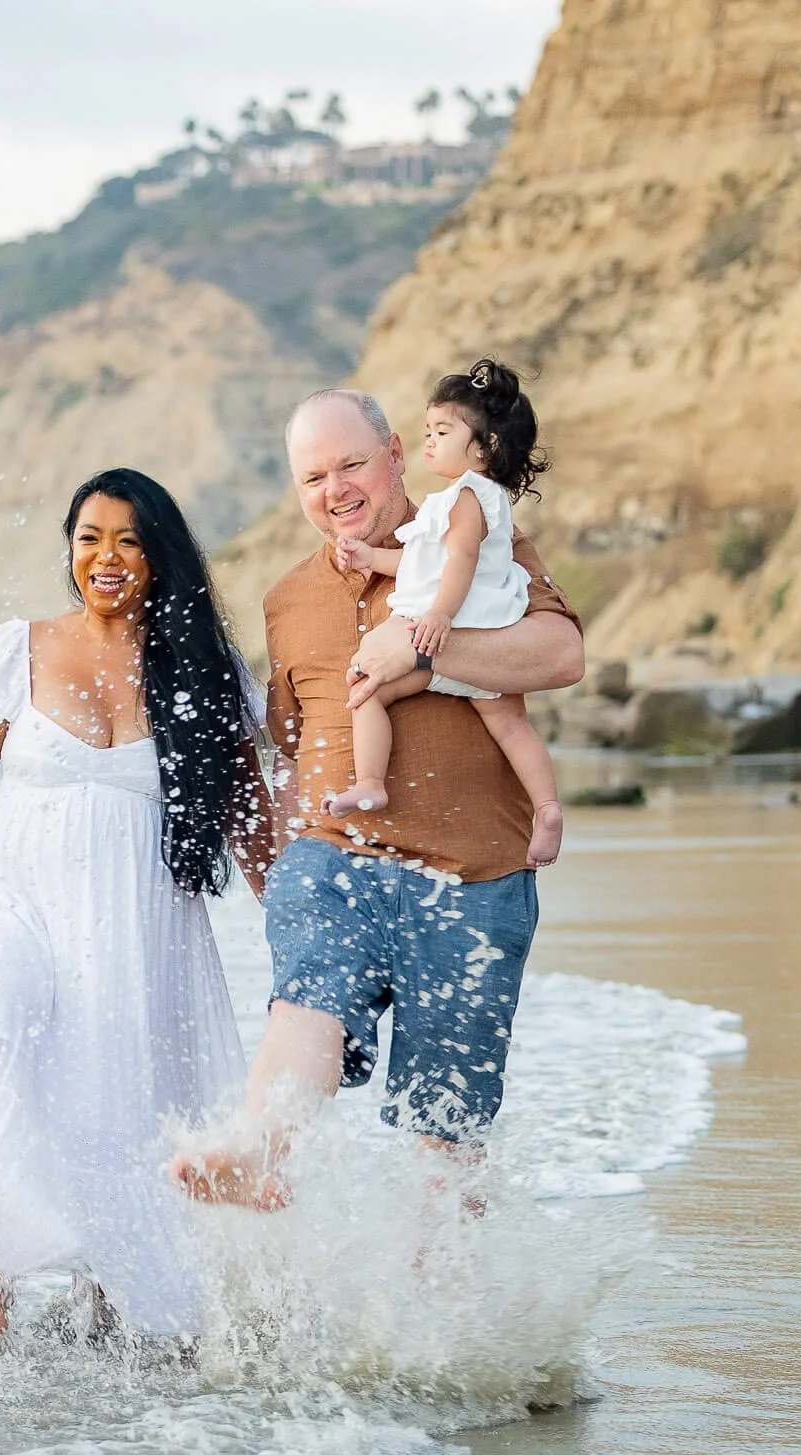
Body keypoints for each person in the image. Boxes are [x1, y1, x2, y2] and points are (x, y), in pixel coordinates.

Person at [0, 468, 273, 1343]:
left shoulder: (203, 668)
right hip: (15, 898)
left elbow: (251, 818)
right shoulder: (23, 646)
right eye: (89, 537)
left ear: (159, 557)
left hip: (135, 918)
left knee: (112, 1094)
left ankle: (106, 1283)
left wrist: (302, 935)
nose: (106, 557)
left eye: (128, 539)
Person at [174, 389, 584, 1211]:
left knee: (446, 1141)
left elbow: (561, 651)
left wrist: (424, 657)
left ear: (396, 454)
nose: (335, 490)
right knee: (308, 994)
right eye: (312, 477)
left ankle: (442, 1325)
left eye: (351, 463)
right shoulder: (288, 598)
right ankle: (261, 1154)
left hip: (477, 879)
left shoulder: (475, 542)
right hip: (339, 857)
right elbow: (294, 750)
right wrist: (275, 870)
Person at [325, 360, 564, 868]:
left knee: (366, 690)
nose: (427, 441)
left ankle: (371, 782)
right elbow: (423, 561)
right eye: (427, 430)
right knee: (513, 728)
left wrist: (439, 616)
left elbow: (461, 559)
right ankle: (547, 808)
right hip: (477, 634)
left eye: (441, 431)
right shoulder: (459, 499)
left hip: (458, 634)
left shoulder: (468, 497)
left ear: (484, 448)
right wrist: (371, 558)